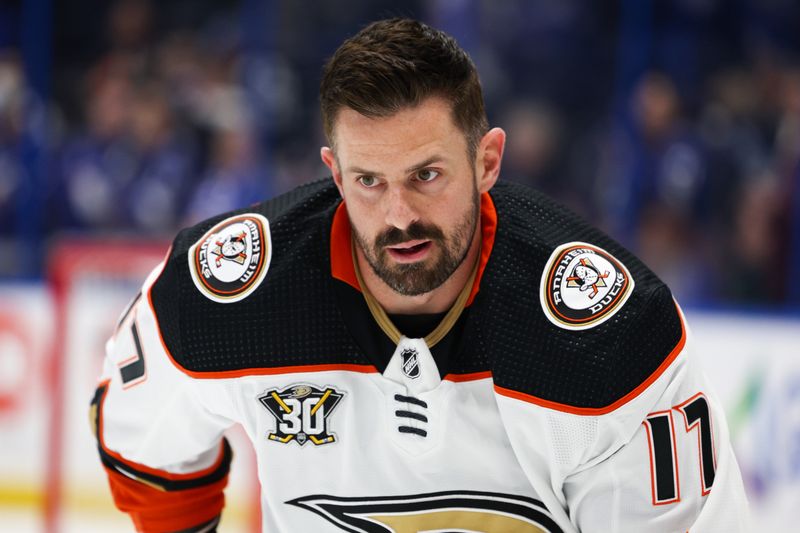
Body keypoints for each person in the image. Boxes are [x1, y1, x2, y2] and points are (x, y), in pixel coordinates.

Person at [90, 18, 750, 532]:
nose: (399, 215)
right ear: (334, 173)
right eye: (369, 182)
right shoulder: (233, 298)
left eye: (426, 175)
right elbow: (141, 444)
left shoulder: (605, 336)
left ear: (488, 160)